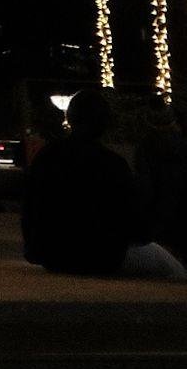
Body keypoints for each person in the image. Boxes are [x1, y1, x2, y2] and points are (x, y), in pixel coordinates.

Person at [20, 89, 185, 279]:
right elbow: (133, 223)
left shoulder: (46, 157)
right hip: (101, 257)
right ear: (104, 123)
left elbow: (29, 207)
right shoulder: (112, 164)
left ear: (70, 118)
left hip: (52, 254)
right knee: (174, 270)